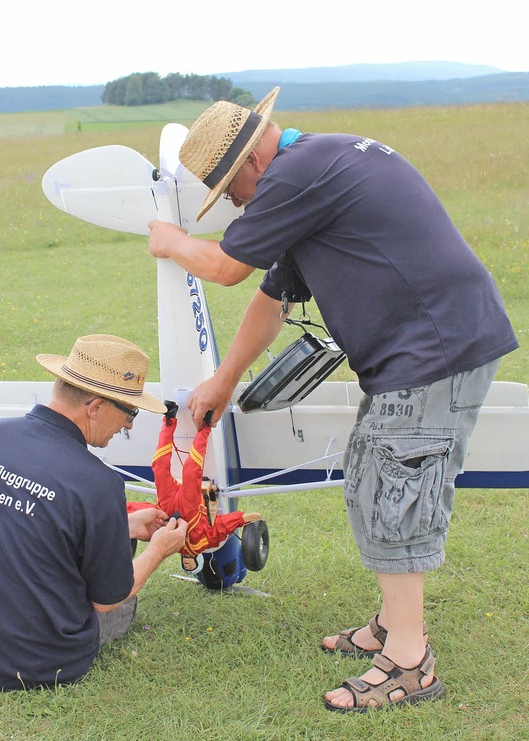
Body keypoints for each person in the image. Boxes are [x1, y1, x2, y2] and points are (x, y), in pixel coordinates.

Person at [147, 87, 518, 712]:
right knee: (374, 477)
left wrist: (168, 240)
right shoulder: (316, 168)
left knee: (396, 490)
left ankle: (410, 662)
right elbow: (272, 297)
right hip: (422, 349)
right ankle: (392, 625)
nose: (238, 206)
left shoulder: (296, 176)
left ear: (250, 166)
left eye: (231, 193)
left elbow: (227, 267)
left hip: (434, 348)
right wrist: (224, 380)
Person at [0, 334, 188, 691]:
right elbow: (108, 600)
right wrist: (159, 549)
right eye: (130, 412)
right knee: (123, 607)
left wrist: (124, 525)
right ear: (95, 406)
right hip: (48, 661)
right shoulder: (99, 482)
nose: (129, 425)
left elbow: (13, 516)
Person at [151, 401, 261, 573]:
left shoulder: (170, 546)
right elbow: (220, 527)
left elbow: (146, 518)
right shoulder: (204, 543)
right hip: (191, 508)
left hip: (167, 508)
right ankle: (206, 426)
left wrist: (124, 511)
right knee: (191, 470)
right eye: (191, 566)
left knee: (158, 466)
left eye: (185, 565)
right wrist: (242, 518)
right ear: (198, 560)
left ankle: (169, 418)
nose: (187, 564)